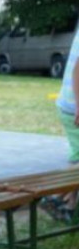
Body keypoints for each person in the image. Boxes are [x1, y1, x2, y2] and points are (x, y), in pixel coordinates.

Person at [49, 23, 79, 221]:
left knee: (77, 157)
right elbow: (78, 69)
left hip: (69, 103)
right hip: (73, 105)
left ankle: (68, 206)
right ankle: (55, 196)